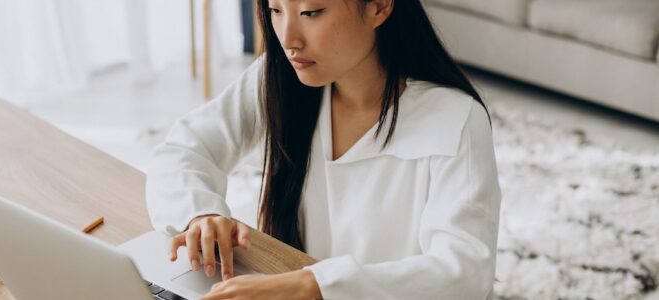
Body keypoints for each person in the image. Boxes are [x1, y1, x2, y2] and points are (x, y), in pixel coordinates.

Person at [146, 0, 502, 299]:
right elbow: (183, 149)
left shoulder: (455, 119)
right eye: (275, 9)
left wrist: (313, 285)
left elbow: (464, 272)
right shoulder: (279, 77)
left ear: (379, 6)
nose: (288, 39)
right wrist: (201, 214)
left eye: (311, 12)